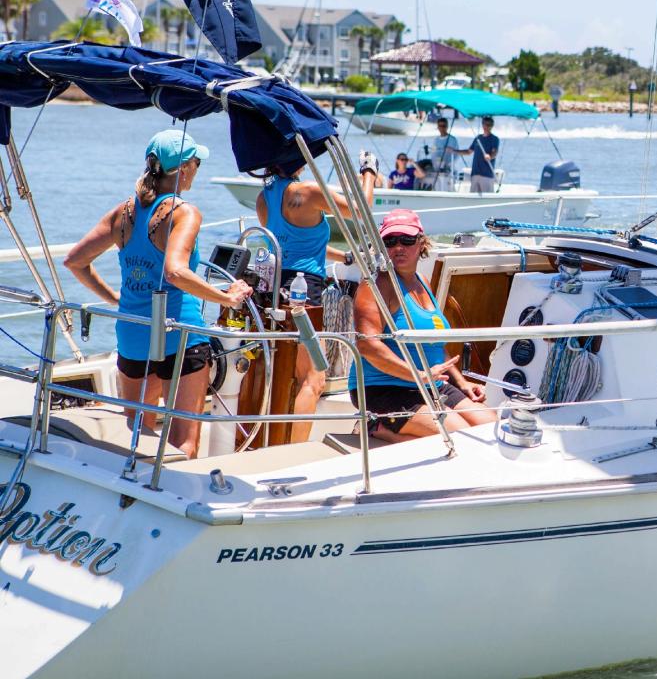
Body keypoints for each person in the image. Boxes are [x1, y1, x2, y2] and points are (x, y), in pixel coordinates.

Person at [65, 129, 252, 458]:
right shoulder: (184, 212)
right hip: (180, 336)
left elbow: (75, 261)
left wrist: (114, 300)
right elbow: (176, 271)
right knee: (184, 443)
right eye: (196, 163)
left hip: (133, 334)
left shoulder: (123, 212)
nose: (197, 169)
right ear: (182, 169)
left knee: (137, 434)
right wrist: (227, 297)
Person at [254, 155, 378, 443]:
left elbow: (295, 245)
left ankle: (272, 441)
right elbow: (362, 210)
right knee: (314, 379)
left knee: (285, 373)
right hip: (304, 293)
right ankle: (296, 453)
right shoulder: (307, 192)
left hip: (274, 288)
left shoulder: (264, 198)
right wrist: (369, 173)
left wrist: (343, 256)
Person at [348, 209, 495, 440]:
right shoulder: (375, 286)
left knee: (491, 428)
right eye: (390, 241)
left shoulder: (423, 282)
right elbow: (367, 346)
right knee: (461, 437)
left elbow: (435, 347)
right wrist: (418, 375)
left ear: (421, 243)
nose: (398, 247)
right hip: (384, 388)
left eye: (406, 240)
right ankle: (377, 429)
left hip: (429, 383)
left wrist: (462, 382)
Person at [430, 116, 467, 191]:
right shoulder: (436, 140)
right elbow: (433, 153)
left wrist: (447, 164)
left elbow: (456, 155)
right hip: (437, 170)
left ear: (447, 127)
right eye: (440, 126)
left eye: (444, 126)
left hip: (449, 170)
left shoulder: (452, 139)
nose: (442, 128)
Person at [468, 117, 499, 194]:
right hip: (475, 173)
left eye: (490, 125)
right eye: (486, 124)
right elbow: (469, 151)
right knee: (472, 198)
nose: (487, 126)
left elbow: (494, 152)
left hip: (486, 175)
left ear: (492, 126)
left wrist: (490, 156)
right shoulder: (478, 138)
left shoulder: (494, 139)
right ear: (482, 125)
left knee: (487, 197)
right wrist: (454, 151)